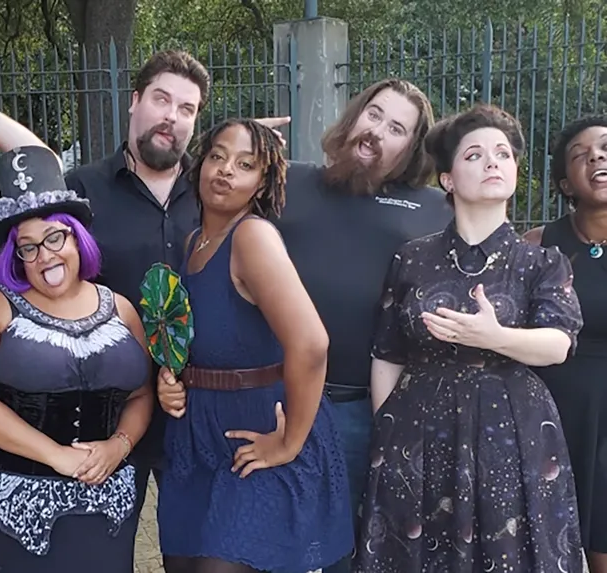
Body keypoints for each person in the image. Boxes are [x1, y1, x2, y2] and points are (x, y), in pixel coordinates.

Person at [162, 78, 452, 573]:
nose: (378, 131)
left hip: (362, 405)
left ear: (411, 149)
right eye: (374, 114)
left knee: (344, 552)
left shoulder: (430, 208)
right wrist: (252, 145)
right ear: (354, 115)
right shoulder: (292, 181)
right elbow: (220, 176)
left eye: (397, 128)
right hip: (272, 400)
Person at [355, 103, 584, 571]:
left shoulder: (541, 263)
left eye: (502, 153)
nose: (493, 162)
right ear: (447, 178)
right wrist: (388, 431)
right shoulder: (411, 259)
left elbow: (558, 344)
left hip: (512, 435)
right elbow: (387, 354)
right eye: (475, 155)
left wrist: (493, 336)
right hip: (417, 438)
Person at [64, 49, 290, 512]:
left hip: (199, 405)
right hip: (110, 405)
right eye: (161, 100)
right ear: (134, 100)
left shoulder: (217, 188)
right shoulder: (82, 189)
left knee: (193, 548)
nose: (171, 117)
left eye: (186, 108)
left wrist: (248, 150)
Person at [0, 144, 154, 572]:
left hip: (103, 495)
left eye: (55, 237)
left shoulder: (121, 307)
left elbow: (141, 394)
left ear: (77, 237)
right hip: (4, 500)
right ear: (15, 257)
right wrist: (57, 456)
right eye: (29, 247)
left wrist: (119, 445)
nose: (45, 255)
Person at [154, 118, 352, 573]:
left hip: (258, 436)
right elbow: (200, 337)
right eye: (218, 156)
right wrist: (173, 378)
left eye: (245, 164)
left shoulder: (252, 237)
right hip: (199, 439)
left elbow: (311, 344)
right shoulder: (192, 243)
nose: (225, 170)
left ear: (263, 182)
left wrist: (289, 443)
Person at [523, 115, 607, 573]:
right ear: (564, 183)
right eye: (581, 153)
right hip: (554, 413)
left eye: (605, 148)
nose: (596, 156)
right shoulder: (539, 246)